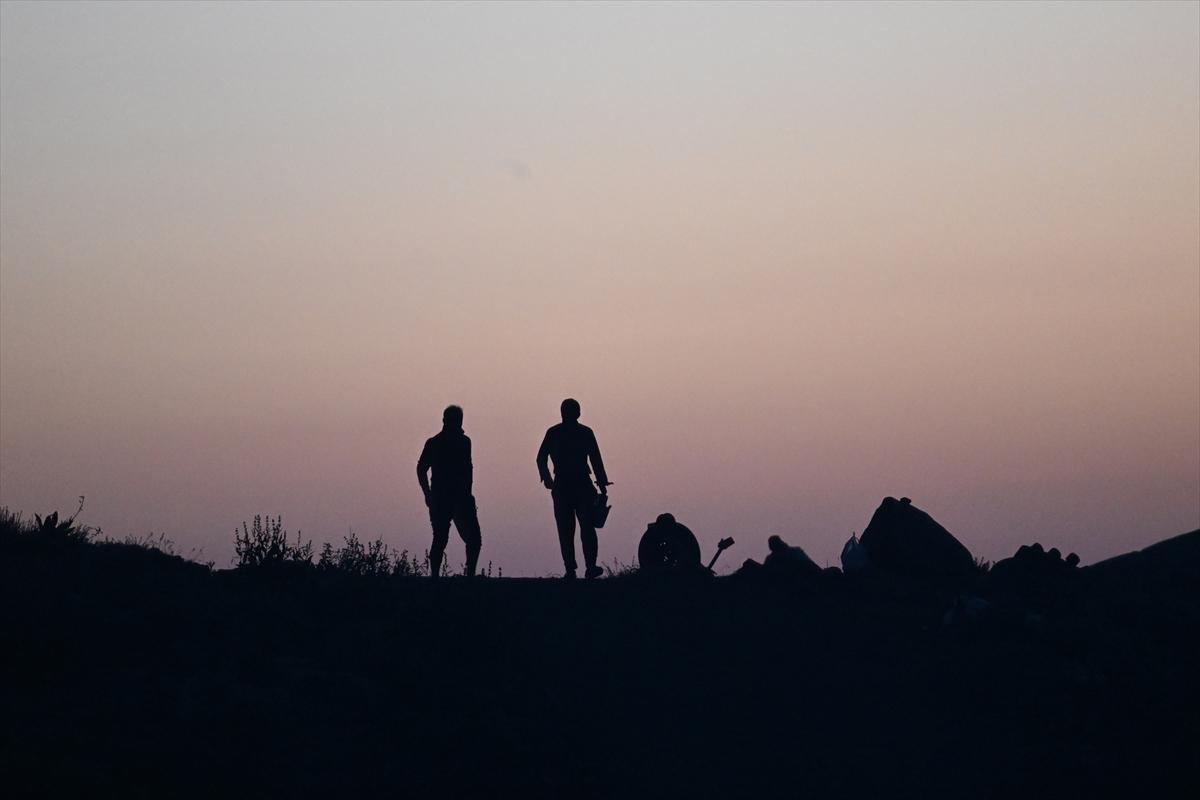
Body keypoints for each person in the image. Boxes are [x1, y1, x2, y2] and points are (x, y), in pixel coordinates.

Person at [536, 398, 610, 579]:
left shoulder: (554, 433)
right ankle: (588, 566)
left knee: (566, 530)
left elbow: (541, 458)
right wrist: (601, 482)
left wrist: (548, 480)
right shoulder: (584, 432)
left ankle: (572, 569)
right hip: (579, 485)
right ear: (578, 413)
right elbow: (595, 458)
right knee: (585, 528)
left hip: (564, 486)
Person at [417, 405, 481, 578]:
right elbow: (421, 468)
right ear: (445, 421)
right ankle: (436, 576)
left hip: (460, 498)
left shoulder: (464, 442)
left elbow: (468, 470)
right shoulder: (435, 443)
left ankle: (470, 574)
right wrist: (427, 493)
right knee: (440, 538)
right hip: (442, 497)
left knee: (473, 539)